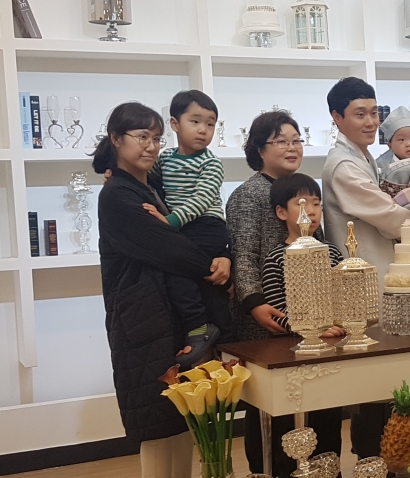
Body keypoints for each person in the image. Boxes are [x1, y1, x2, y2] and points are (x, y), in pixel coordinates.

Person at [93, 102, 231, 478]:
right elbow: (168, 247)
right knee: (155, 426)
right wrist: (214, 265)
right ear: (116, 139)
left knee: (183, 419)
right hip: (143, 322)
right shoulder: (117, 195)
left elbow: (191, 228)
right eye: (142, 137)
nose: (151, 146)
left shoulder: (152, 187)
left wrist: (224, 255)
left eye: (156, 138)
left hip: (169, 317)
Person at [226, 111, 343, 476]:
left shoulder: (304, 190)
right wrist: (255, 303)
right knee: (273, 412)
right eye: (281, 141)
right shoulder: (248, 195)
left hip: (314, 322)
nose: (292, 147)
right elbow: (243, 255)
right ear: (259, 149)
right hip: (268, 320)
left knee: (320, 402)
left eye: (296, 140)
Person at [259, 173, 344, 476]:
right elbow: (276, 310)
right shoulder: (275, 258)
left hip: (331, 352)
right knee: (291, 431)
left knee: (328, 426)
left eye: (317, 204)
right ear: (281, 212)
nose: (312, 211)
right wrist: (310, 328)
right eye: (302, 203)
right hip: (291, 354)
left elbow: (343, 297)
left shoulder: (332, 252)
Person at [142, 89, 233, 365]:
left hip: (207, 226)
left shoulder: (211, 163)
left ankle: (201, 328)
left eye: (210, 124)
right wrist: (114, 173)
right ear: (174, 124)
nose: (203, 130)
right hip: (183, 227)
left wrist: (170, 222)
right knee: (185, 279)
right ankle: (203, 329)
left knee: (181, 272)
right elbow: (146, 176)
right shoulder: (165, 158)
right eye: (195, 121)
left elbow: (201, 199)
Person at [321, 77, 410, 291]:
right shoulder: (344, 165)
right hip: (361, 273)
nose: (371, 122)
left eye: (374, 113)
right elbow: (388, 216)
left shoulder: (361, 156)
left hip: (375, 263)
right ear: (337, 117)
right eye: (360, 114)